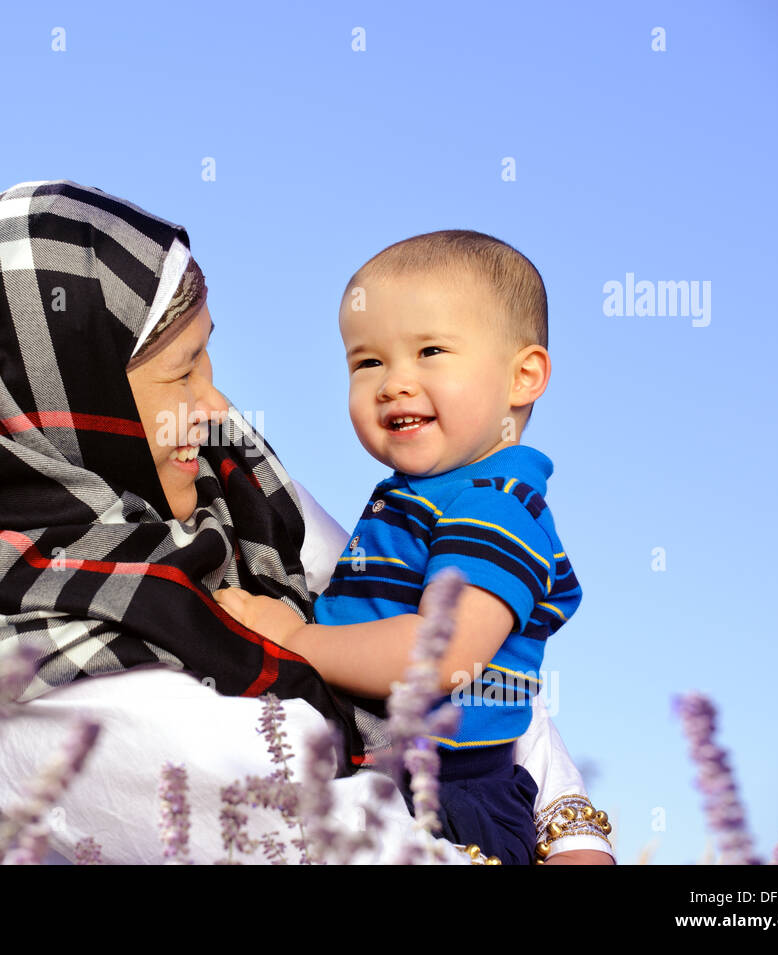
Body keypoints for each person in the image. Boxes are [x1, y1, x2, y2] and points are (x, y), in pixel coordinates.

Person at [0, 181, 614, 864]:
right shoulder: (14, 670)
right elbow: (334, 836)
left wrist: (573, 830)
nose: (219, 409)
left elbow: (464, 650)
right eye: (180, 374)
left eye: (210, 361)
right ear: (50, 403)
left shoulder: (225, 494)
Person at [214, 230, 604, 865]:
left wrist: (296, 639)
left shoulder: (494, 504)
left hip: (453, 803)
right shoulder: (426, 495)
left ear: (523, 376)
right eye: (367, 362)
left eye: (430, 351)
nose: (394, 382)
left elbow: (441, 654)